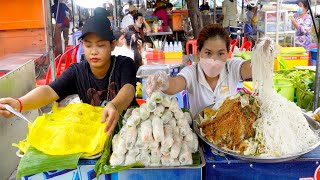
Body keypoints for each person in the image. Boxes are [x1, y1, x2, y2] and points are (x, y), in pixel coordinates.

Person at [0, 16, 137, 136]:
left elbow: (129, 89)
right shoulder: (77, 72)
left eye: (100, 45)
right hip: (98, 135)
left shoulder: (124, 64)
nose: (94, 52)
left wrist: (114, 105)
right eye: (88, 46)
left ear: (112, 45)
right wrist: (19, 103)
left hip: (128, 131)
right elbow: (49, 91)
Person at [145, 24, 252, 116]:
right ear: (199, 51)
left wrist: (262, 57)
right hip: (200, 133)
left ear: (227, 53)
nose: (214, 60)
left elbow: (250, 67)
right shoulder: (192, 72)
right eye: (208, 53)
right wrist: (163, 82)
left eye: (220, 53)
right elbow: (175, 84)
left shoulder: (231, 68)